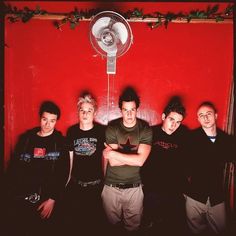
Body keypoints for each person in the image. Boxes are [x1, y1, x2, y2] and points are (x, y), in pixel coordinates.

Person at [4, 101, 69, 236]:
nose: (47, 124)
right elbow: (14, 168)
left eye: (52, 121)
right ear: (40, 117)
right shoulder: (26, 140)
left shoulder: (60, 142)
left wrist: (52, 199)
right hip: (23, 199)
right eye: (45, 119)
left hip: (47, 200)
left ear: (56, 121)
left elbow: (63, 173)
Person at [102, 86, 153, 235]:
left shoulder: (145, 129)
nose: (129, 114)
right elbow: (112, 162)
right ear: (121, 110)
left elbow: (140, 161)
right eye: (125, 110)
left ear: (137, 109)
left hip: (135, 188)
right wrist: (132, 158)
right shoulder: (112, 128)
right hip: (111, 186)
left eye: (132, 109)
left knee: (133, 229)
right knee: (111, 228)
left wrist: (113, 153)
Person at [141, 96, 190, 235]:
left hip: (174, 193)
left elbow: (187, 162)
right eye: (171, 119)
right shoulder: (151, 133)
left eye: (178, 122)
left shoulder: (184, 135)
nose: (174, 125)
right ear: (163, 116)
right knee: (151, 228)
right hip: (152, 191)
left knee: (173, 228)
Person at [185, 101, 235, 235]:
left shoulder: (226, 141)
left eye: (209, 114)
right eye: (201, 115)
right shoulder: (190, 138)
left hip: (217, 197)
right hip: (194, 196)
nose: (205, 118)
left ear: (216, 115)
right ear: (198, 118)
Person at [62, 92, 106, 235]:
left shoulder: (101, 131)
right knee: (76, 225)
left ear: (94, 112)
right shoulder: (72, 132)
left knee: (94, 225)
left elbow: (105, 158)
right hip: (76, 186)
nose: (85, 114)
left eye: (89, 110)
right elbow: (70, 159)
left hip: (96, 186)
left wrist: (105, 181)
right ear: (78, 112)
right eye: (82, 110)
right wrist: (67, 181)